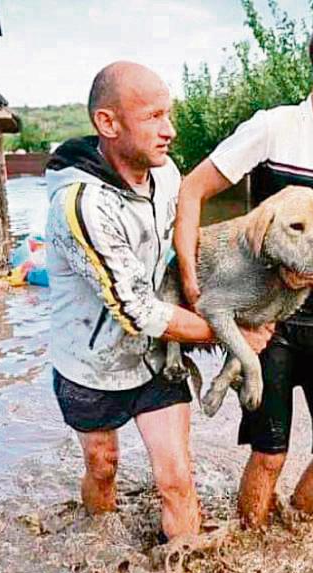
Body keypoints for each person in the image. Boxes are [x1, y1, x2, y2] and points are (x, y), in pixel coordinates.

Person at [174, 7, 313, 528]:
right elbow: (192, 189)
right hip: (266, 323)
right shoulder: (273, 129)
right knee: (268, 455)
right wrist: (189, 284)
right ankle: (252, 543)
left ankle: (292, 534)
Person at [44, 62, 272, 540]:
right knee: (103, 466)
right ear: (108, 123)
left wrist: (253, 287)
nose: (169, 131)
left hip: (155, 361)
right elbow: (137, 312)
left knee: (176, 480)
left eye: (169, 114)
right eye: (153, 117)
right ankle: (101, 547)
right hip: (91, 365)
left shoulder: (166, 173)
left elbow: (189, 244)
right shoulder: (81, 206)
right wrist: (233, 335)